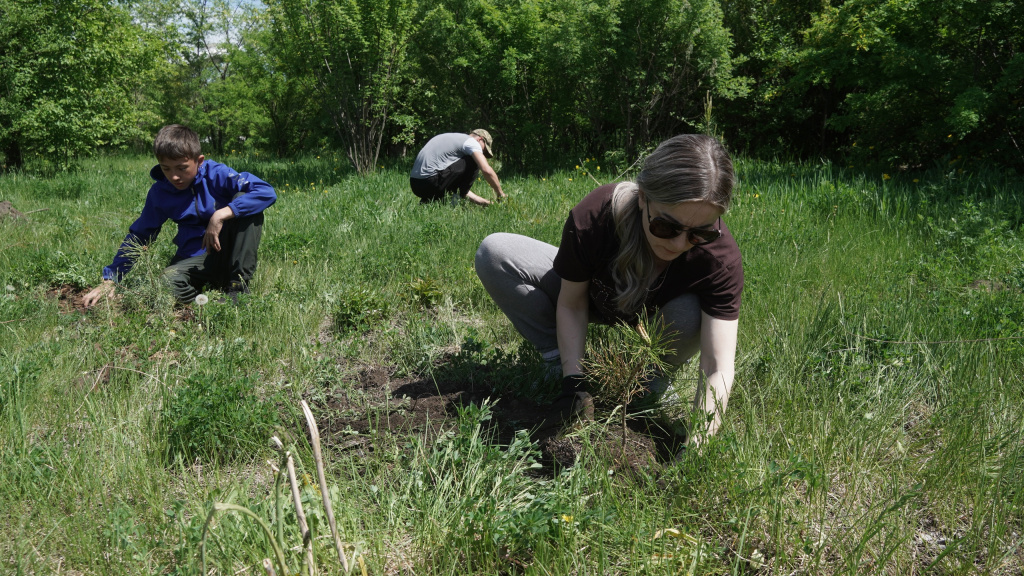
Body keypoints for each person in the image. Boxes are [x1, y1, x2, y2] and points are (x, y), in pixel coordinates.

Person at [475, 134, 741, 450]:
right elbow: (572, 304)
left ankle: (650, 385)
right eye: (666, 227)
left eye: (700, 232)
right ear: (643, 197)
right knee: (495, 252)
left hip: (660, 316)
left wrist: (699, 444)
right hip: (593, 297)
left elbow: (717, 366)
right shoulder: (596, 215)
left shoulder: (719, 259)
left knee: (693, 310)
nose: (679, 244)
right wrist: (573, 383)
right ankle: (558, 362)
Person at [82, 124, 277, 307]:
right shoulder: (161, 193)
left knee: (244, 200)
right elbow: (139, 235)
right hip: (194, 260)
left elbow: (266, 191)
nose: (174, 176)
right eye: (166, 168)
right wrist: (111, 279)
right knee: (166, 282)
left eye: (182, 168)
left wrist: (220, 215)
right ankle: (207, 303)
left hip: (227, 252)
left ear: (198, 161)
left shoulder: (216, 174)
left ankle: (238, 289)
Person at [410, 129, 507, 206]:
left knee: (457, 187)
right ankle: (454, 202)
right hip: (431, 181)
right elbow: (487, 170)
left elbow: (458, 187)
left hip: (416, 184)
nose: (483, 153)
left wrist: (486, 203)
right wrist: (500, 194)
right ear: (480, 139)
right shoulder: (472, 142)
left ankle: (428, 203)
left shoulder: (452, 138)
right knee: (474, 161)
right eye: (484, 150)